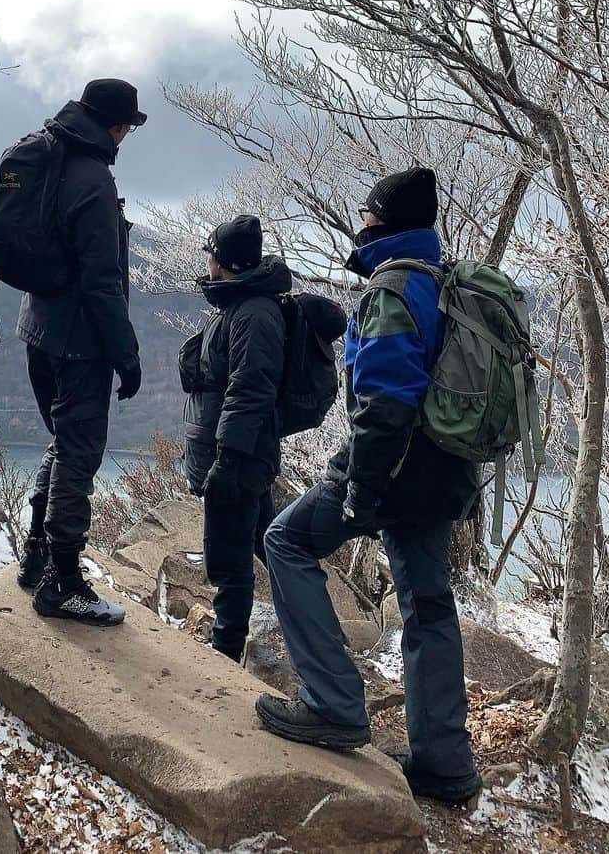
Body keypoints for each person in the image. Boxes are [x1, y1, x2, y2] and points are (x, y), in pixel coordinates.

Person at [256, 167, 483, 807]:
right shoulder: (443, 283)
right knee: (429, 607)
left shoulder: (394, 291)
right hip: (441, 475)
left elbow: (385, 403)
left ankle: (332, 702)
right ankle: (444, 763)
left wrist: (360, 486)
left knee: (286, 540)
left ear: (382, 220)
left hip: (393, 474)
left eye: (368, 213)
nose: (360, 221)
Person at [15, 79, 145, 625]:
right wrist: (127, 354)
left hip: (38, 328)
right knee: (79, 454)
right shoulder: (93, 179)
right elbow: (102, 284)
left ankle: (36, 556)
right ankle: (62, 581)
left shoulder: (51, 154)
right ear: (117, 126)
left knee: (62, 442)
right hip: (80, 343)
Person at [183, 215, 292, 662]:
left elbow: (250, 389)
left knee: (229, 561)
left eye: (211, 255)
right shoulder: (241, 306)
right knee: (268, 544)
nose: (206, 263)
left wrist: (227, 459)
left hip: (237, 456)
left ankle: (224, 656)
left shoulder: (254, 314)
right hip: (238, 451)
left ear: (224, 262)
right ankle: (307, 629)